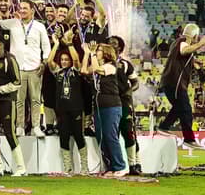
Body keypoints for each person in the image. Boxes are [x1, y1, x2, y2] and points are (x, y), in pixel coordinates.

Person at [0, 0, 52, 138]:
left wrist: (44, 62)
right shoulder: (13, 23)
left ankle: (36, 126)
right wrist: (7, 13)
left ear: (32, 11)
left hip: (35, 67)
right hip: (18, 68)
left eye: (25, 8)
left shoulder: (40, 26)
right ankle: (19, 127)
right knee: (18, 100)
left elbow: (46, 46)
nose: (22, 11)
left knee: (35, 99)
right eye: (20, 8)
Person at [158, 23, 205, 148]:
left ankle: (163, 127)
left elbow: (180, 57)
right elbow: (184, 51)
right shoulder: (183, 41)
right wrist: (200, 44)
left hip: (170, 82)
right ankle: (189, 139)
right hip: (175, 82)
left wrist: (194, 61)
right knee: (186, 109)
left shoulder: (176, 43)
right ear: (194, 35)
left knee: (179, 108)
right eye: (197, 37)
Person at [81, 43, 126, 176]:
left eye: (99, 50)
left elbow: (97, 70)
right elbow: (84, 70)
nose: (97, 52)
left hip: (112, 105)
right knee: (101, 136)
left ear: (106, 53)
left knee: (110, 136)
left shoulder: (110, 66)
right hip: (100, 106)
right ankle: (110, 166)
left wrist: (92, 54)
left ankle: (119, 166)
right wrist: (86, 53)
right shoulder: (98, 65)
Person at [0, 36, 25, 178]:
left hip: (7, 101)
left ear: (0, 45)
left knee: (10, 133)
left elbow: (17, 82)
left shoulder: (9, 59)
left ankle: (21, 167)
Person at [46, 39, 87, 175]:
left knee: (78, 136)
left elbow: (76, 60)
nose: (64, 61)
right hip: (62, 110)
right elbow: (49, 61)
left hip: (76, 108)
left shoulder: (75, 71)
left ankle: (85, 167)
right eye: (62, 59)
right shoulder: (58, 72)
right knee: (63, 137)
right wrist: (56, 44)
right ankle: (68, 168)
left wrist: (69, 45)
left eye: (66, 59)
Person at [109, 36, 141, 175]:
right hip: (109, 104)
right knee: (112, 135)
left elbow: (136, 83)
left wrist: (128, 92)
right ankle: (114, 164)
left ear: (120, 48)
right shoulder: (100, 64)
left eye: (114, 44)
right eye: (108, 43)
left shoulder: (125, 64)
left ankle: (134, 165)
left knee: (128, 132)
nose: (111, 45)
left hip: (124, 103)